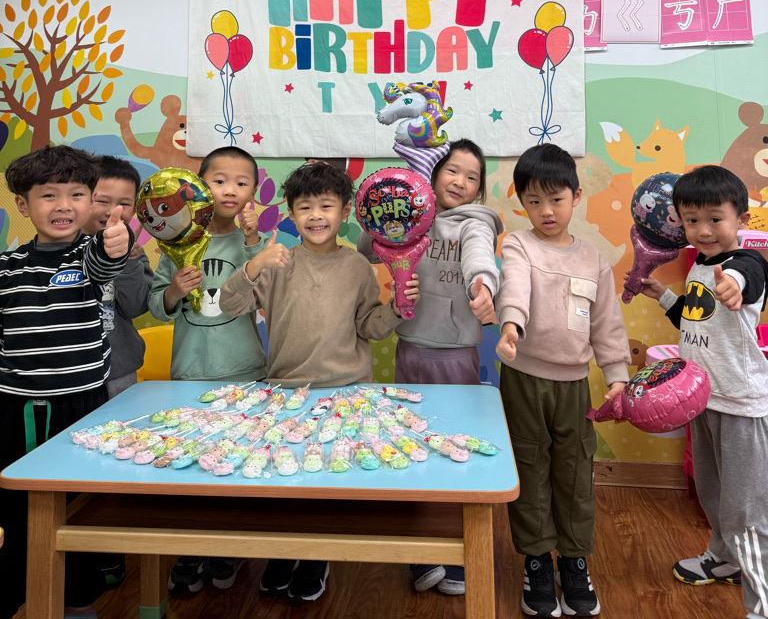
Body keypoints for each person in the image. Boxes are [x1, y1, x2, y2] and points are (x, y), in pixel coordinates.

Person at [220, 161, 419, 605]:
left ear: (345, 212)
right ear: (290, 213)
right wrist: (254, 265)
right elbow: (230, 305)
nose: (315, 215)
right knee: (284, 478)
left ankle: (316, 558)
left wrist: (397, 308)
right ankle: (283, 553)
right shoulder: (278, 261)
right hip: (285, 392)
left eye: (326, 206)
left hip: (346, 390)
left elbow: (369, 327)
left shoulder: (358, 267)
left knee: (327, 479)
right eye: (304, 206)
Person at [357, 137, 502, 596]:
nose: (460, 182)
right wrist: (385, 212)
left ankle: (457, 546)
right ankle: (421, 548)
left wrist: (483, 284)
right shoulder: (410, 214)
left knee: (453, 444)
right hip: (409, 348)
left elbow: (480, 255)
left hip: (455, 354)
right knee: (411, 442)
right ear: (433, 175)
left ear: (479, 189)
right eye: (452, 171)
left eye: (472, 177)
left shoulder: (475, 223)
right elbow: (365, 247)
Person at [495, 143, 630, 619]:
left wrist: (617, 374)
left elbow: (607, 323)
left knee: (574, 470)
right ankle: (536, 559)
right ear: (522, 204)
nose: (546, 211)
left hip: (574, 384)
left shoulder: (593, 259)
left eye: (555, 199)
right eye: (534, 201)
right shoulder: (518, 245)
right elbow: (514, 285)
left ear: (576, 197)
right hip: (524, 378)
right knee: (529, 465)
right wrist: (510, 325)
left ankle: (574, 560)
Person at [0, 144, 133, 619]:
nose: (63, 206)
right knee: (19, 508)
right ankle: (20, 589)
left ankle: (78, 601)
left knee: (78, 506)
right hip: (17, 408)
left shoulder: (87, 256)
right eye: (48, 195)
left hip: (82, 406)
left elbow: (106, 261)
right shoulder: (7, 268)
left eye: (76, 194)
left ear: (91, 201)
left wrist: (116, 242)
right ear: (23, 205)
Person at [640, 165, 768, 619]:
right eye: (692, 220)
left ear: (741, 220)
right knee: (713, 493)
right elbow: (697, 320)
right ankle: (724, 557)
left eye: (715, 219)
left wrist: (735, 286)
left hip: (740, 405)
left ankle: (761, 603)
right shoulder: (700, 264)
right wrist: (663, 296)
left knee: (746, 511)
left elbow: (749, 278)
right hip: (703, 400)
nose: (704, 230)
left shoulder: (744, 265)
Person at [148, 145, 267, 595]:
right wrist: (174, 291)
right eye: (219, 181)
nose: (230, 190)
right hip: (191, 374)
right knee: (192, 466)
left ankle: (228, 546)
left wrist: (254, 243)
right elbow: (156, 307)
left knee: (234, 466)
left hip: (245, 373)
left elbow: (270, 293)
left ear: (253, 192)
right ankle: (191, 546)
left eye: (242, 182)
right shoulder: (176, 244)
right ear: (198, 188)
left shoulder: (253, 243)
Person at [84, 156, 152, 399]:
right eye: (102, 201)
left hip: (119, 371)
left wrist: (128, 260)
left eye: (124, 203)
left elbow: (136, 306)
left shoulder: (134, 254)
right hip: (71, 376)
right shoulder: (64, 250)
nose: (114, 212)